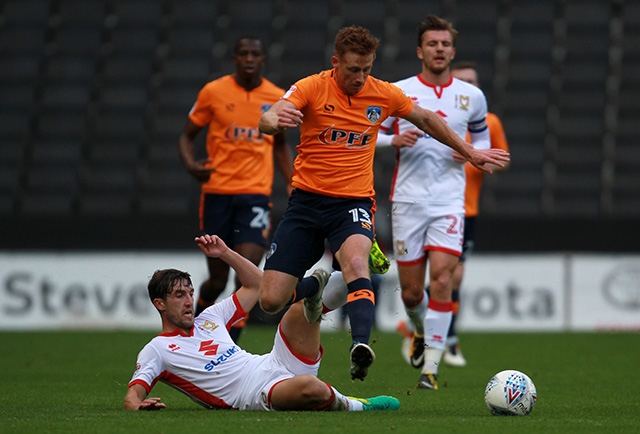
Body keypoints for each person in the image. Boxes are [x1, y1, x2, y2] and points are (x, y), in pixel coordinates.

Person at [257, 25, 510, 381]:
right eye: (352, 70)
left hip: (353, 203)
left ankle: (360, 346)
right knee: (270, 300)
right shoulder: (312, 86)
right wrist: (272, 121)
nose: (360, 78)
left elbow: (427, 119)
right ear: (335, 63)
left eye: (367, 69)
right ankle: (313, 289)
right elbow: (270, 115)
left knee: (358, 264)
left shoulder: (383, 93)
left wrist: (469, 151)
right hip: (306, 203)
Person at [124, 234, 400, 412]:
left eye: (190, 294)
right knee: (311, 387)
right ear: (159, 304)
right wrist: (138, 406)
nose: (188, 301)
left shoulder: (209, 317)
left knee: (297, 309)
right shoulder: (157, 349)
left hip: (272, 362)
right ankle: (358, 406)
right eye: (178, 296)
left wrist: (225, 253)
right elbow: (132, 395)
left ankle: (355, 265)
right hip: (255, 394)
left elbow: (258, 284)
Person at [375, 15, 497, 390]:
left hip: (449, 201)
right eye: (432, 44)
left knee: (443, 279)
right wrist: (391, 141)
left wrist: (472, 153)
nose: (439, 49)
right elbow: (369, 134)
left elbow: (482, 139)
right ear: (420, 50)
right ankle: (417, 330)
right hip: (408, 200)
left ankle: (431, 368)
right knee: (412, 293)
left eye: (445, 44)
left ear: (452, 50)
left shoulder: (471, 96)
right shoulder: (399, 91)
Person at [177, 36, 293, 342]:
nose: (250, 59)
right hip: (217, 193)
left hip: (255, 194)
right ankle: (195, 330)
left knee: (249, 274)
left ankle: (229, 348)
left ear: (264, 59)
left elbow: (280, 146)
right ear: (234, 58)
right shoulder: (213, 92)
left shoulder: (276, 97)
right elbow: (186, 136)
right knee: (217, 281)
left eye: (255, 53)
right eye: (244, 53)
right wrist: (191, 165)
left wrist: (294, 183)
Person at [440, 61, 510, 367]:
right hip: (435, 207)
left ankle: (445, 338)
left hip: (466, 210)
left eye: (472, 81)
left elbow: (503, 159)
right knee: (436, 277)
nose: (468, 86)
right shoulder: (442, 118)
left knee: (454, 276)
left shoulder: (489, 122)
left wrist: (480, 159)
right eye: (462, 81)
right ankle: (441, 337)